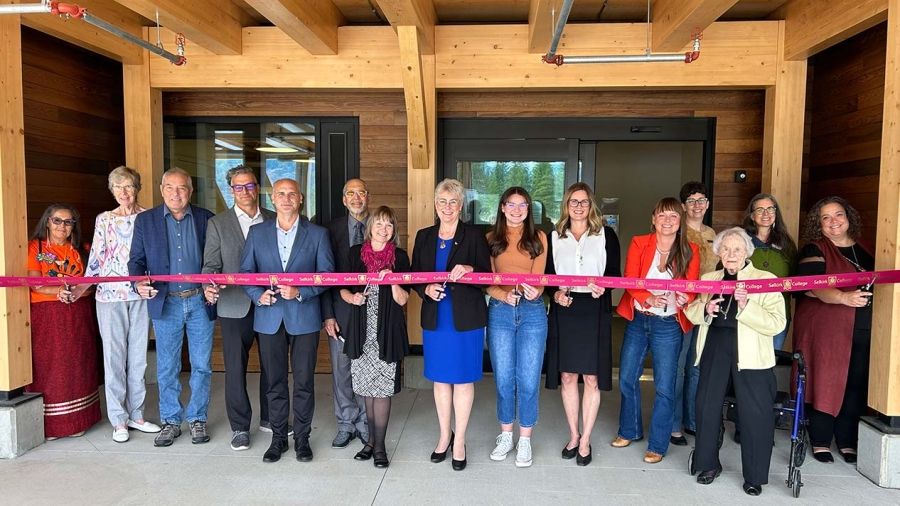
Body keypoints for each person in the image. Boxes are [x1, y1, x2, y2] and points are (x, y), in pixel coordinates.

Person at [685, 227, 787, 496]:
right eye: (726, 249)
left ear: (747, 253)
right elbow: (691, 312)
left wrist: (747, 307)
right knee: (706, 407)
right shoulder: (710, 278)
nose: (731, 254)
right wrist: (705, 309)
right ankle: (707, 465)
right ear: (718, 252)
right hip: (715, 348)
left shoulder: (765, 279)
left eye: (737, 249)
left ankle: (754, 476)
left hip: (752, 355)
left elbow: (777, 323)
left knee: (756, 415)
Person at [240, 179, 334, 463]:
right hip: (269, 318)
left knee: (304, 382)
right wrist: (258, 296)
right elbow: (246, 272)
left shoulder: (317, 234)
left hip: (304, 317)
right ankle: (279, 438)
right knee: (274, 382)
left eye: (292, 194)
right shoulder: (257, 234)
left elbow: (326, 275)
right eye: (280, 193)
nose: (286, 198)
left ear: (301, 199)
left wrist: (301, 292)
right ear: (272, 198)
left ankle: (302, 439)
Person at [128, 167, 216, 447]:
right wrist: (137, 284)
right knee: (167, 366)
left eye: (182, 188)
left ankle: (198, 418)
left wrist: (213, 283)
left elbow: (216, 260)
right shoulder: (146, 221)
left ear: (190, 192)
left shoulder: (206, 219)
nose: (176, 193)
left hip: (200, 301)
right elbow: (136, 262)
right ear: (162, 189)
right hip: (165, 302)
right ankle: (170, 421)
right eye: (170, 188)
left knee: (202, 365)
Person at [411, 178, 491, 471]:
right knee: (441, 379)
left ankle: (461, 441)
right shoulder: (424, 236)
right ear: (435, 205)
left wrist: (470, 269)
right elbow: (414, 275)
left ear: (461, 206)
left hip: (466, 318)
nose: (447, 207)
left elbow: (486, 273)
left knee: (463, 379)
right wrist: (425, 289)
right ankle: (445, 436)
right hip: (436, 316)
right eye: (442, 202)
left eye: (453, 202)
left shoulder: (474, 235)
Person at [613, 197, 700, 464]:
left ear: (680, 221)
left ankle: (658, 444)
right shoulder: (641, 242)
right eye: (662, 215)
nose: (667, 221)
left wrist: (687, 297)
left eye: (673, 216)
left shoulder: (691, 249)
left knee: (665, 385)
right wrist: (648, 297)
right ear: (653, 219)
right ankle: (630, 429)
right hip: (640, 319)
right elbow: (629, 279)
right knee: (627, 377)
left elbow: (693, 287)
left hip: (669, 324)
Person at [545, 182, 620, 467]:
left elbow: (614, 272)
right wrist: (556, 294)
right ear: (566, 205)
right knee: (567, 376)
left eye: (584, 202)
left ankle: (586, 439)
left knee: (591, 377)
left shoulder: (605, 235)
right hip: (566, 308)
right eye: (573, 202)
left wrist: (605, 287)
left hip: (594, 307)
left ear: (592, 205)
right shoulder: (554, 236)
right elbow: (549, 275)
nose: (578, 207)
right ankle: (573, 435)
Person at [793, 196, 873, 465]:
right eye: (825, 218)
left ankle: (848, 440)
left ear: (848, 217)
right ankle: (821, 440)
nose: (833, 222)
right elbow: (814, 285)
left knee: (856, 381)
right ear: (819, 224)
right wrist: (843, 298)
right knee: (825, 379)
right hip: (826, 328)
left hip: (862, 325)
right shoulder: (814, 249)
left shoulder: (868, 248)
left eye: (838, 215)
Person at [201, 165, 275, 451]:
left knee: (274, 365)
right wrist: (209, 286)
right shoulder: (218, 224)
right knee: (235, 369)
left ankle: (271, 418)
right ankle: (240, 427)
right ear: (231, 190)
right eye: (239, 187)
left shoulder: (272, 218)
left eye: (250, 185)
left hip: (269, 304)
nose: (245, 191)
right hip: (233, 306)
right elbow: (210, 267)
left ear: (258, 188)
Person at [85, 167, 160, 443]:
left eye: (128, 186)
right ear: (112, 191)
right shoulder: (104, 219)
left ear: (137, 188)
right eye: (118, 187)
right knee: (114, 357)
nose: (124, 192)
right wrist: (81, 286)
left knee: (138, 357)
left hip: (140, 294)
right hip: (109, 296)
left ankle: (137, 414)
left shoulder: (149, 217)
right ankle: (119, 419)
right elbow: (96, 258)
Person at [340, 206, 410, 469]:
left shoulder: (400, 257)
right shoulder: (354, 254)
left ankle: (379, 447)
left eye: (389, 225)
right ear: (370, 228)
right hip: (361, 330)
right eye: (379, 224)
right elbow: (342, 288)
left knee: (381, 391)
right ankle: (370, 442)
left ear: (394, 231)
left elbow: (404, 299)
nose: (383, 229)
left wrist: (392, 280)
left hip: (386, 332)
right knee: (367, 391)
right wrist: (353, 297)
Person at [485, 187, 548, 468]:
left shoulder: (539, 238)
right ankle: (505, 435)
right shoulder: (489, 239)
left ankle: (525, 439)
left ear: (528, 209)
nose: (517, 209)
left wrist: (536, 291)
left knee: (529, 378)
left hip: (533, 312)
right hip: (500, 311)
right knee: (503, 379)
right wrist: (502, 295)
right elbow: (486, 279)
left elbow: (541, 277)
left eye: (522, 205)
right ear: (502, 207)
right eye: (511, 204)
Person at [26, 204, 100, 439]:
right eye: (57, 221)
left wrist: (77, 292)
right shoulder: (34, 248)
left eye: (68, 222)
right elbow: (34, 282)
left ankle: (78, 421)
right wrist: (60, 292)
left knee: (78, 364)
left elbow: (91, 283)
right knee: (51, 367)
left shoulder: (79, 250)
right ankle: (54, 426)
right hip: (47, 316)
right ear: (47, 221)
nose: (62, 226)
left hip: (77, 314)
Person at [320, 178, 370, 448]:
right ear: (343, 199)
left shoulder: (380, 225)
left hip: (371, 310)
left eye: (361, 193)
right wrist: (328, 315)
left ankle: (365, 423)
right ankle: (345, 423)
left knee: (365, 369)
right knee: (342, 371)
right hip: (339, 311)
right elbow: (326, 275)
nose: (356, 198)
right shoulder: (330, 231)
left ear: (368, 197)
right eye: (351, 193)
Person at [671, 182, 717, 446]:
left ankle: (693, 420)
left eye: (701, 200)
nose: (697, 205)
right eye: (691, 201)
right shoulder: (676, 231)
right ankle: (674, 423)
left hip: (706, 309)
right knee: (677, 368)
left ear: (708, 204)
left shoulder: (712, 234)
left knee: (697, 368)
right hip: (681, 308)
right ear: (683, 206)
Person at [742, 193, 797, 351]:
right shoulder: (741, 241)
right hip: (747, 313)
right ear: (752, 216)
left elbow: (795, 278)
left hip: (777, 314)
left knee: (770, 362)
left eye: (770, 209)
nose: (766, 214)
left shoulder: (786, 244)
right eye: (760, 210)